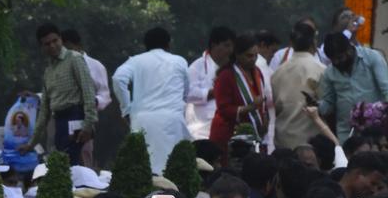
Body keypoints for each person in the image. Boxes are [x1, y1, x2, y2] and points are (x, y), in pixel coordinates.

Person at [111, 26, 192, 170]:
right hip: (172, 120)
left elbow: (118, 79)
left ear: (145, 45)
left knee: (143, 168)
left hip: (142, 119)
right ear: (168, 44)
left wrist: (126, 109)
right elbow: (186, 92)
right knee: (172, 169)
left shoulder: (136, 61)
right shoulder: (179, 61)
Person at [31, 20, 98, 161]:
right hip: (59, 121)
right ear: (41, 47)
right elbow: (44, 111)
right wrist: (32, 142)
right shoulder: (48, 71)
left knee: (71, 162)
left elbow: (88, 92)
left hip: (76, 117)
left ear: (61, 39)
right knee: (63, 163)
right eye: (47, 44)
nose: (52, 45)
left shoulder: (75, 59)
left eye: (55, 40)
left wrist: (88, 125)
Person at [316, 31, 388, 144]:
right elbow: (328, 105)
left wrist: (380, 113)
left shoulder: (372, 58)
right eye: (333, 60)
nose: (337, 63)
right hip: (346, 135)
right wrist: (317, 105)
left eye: (339, 58)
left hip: (374, 130)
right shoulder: (329, 72)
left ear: (349, 49)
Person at [210, 33, 272, 152]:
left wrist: (265, 119)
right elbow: (224, 109)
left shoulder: (257, 72)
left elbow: (262, 101)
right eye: (249, 56)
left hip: (255, 133)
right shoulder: (226, 75)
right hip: (229, 133)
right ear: (237, 54)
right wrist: (250, 107)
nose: (253, 59)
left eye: (256, 56)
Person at [272, 20, 324, 150]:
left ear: (292, 44)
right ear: (314, 42)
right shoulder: (321, 70)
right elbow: (326, 108)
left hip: (283, 141)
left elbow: (274, 108)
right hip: (312, 144)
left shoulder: (278, 72)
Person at [186, 24, 236, 139]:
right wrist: (214, 92)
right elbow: (188, 94)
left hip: (227, 127)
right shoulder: (197, 66)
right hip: (200, 129)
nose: (230, 50)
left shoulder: (234, 68)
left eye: (232, 46)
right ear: (214, 45)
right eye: (226, 46)